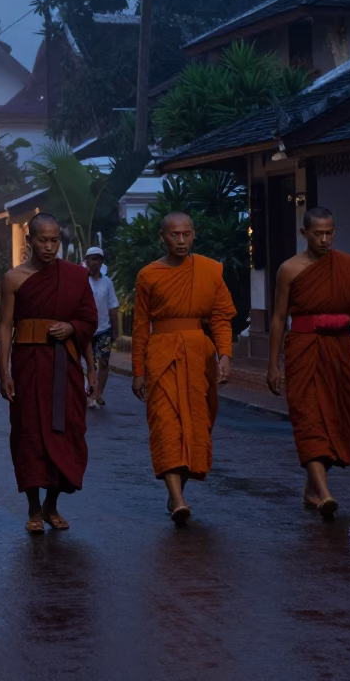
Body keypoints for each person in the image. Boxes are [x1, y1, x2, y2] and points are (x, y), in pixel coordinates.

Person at [267, 207, 350, 519]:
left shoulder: (348, 265)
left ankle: (311, 489)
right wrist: (273, 365)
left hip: (340, 350)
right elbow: (278, 318)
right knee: (308, 416)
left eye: (330, 232)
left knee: (339, 416)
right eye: (318, 234)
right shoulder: (289, 269)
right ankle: (325, 492)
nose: (325, 239)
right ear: (304, 234)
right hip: (304, 348)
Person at [131, 212, 236, 525]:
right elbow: (139, 326)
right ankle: (177, 498)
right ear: (162, 236)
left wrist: (225, 355)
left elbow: (220, 318)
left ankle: (177, 489)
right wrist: (138, 369)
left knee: (196, 426)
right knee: (166, 425)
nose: (181, 241)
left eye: (186, 234)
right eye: (174, 235)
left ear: (194, 235)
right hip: (161, 354)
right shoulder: (148, 275)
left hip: (198, 356)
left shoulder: (210, 270)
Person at [0, 213, 98, 533]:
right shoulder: (14, 278)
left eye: (55, 240)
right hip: (27, 363)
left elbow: (89, 321)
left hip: (63, 362)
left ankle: (52, 503)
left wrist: (73, 331)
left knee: (66, 431)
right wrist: (4, 372)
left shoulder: (76, 277)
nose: (50, 246)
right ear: (30, 241)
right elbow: (3, 327)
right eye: (43, 240)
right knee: (28, 433)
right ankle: (33, 507)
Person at [84, 246, 119, 409]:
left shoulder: (107, 282)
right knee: (89, 363)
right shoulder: (82, 281)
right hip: (86, 330)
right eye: (91, 259)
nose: (94, 262)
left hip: (104, 329)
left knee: (103, 362)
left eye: (97, 259)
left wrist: (115, 329)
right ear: (86, 261)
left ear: (101, 261)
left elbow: (113, 306)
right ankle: (88, 393)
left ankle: (99, 394)